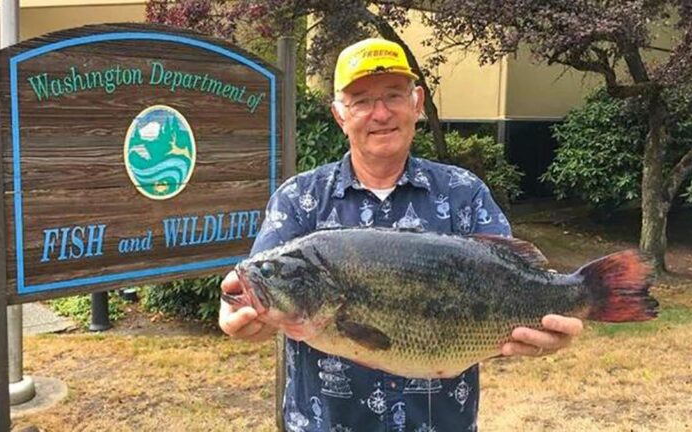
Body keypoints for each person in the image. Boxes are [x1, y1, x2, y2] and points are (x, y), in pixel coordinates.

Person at [219, 38, 583, 431]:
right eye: (360, 100)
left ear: (417, 102)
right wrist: (240, 315)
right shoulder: (300, 198)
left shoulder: (463, 193)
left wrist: (550, 319)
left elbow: (512, 281)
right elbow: (254, 295)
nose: (380, 113)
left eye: (393, 95)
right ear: (339, 114)